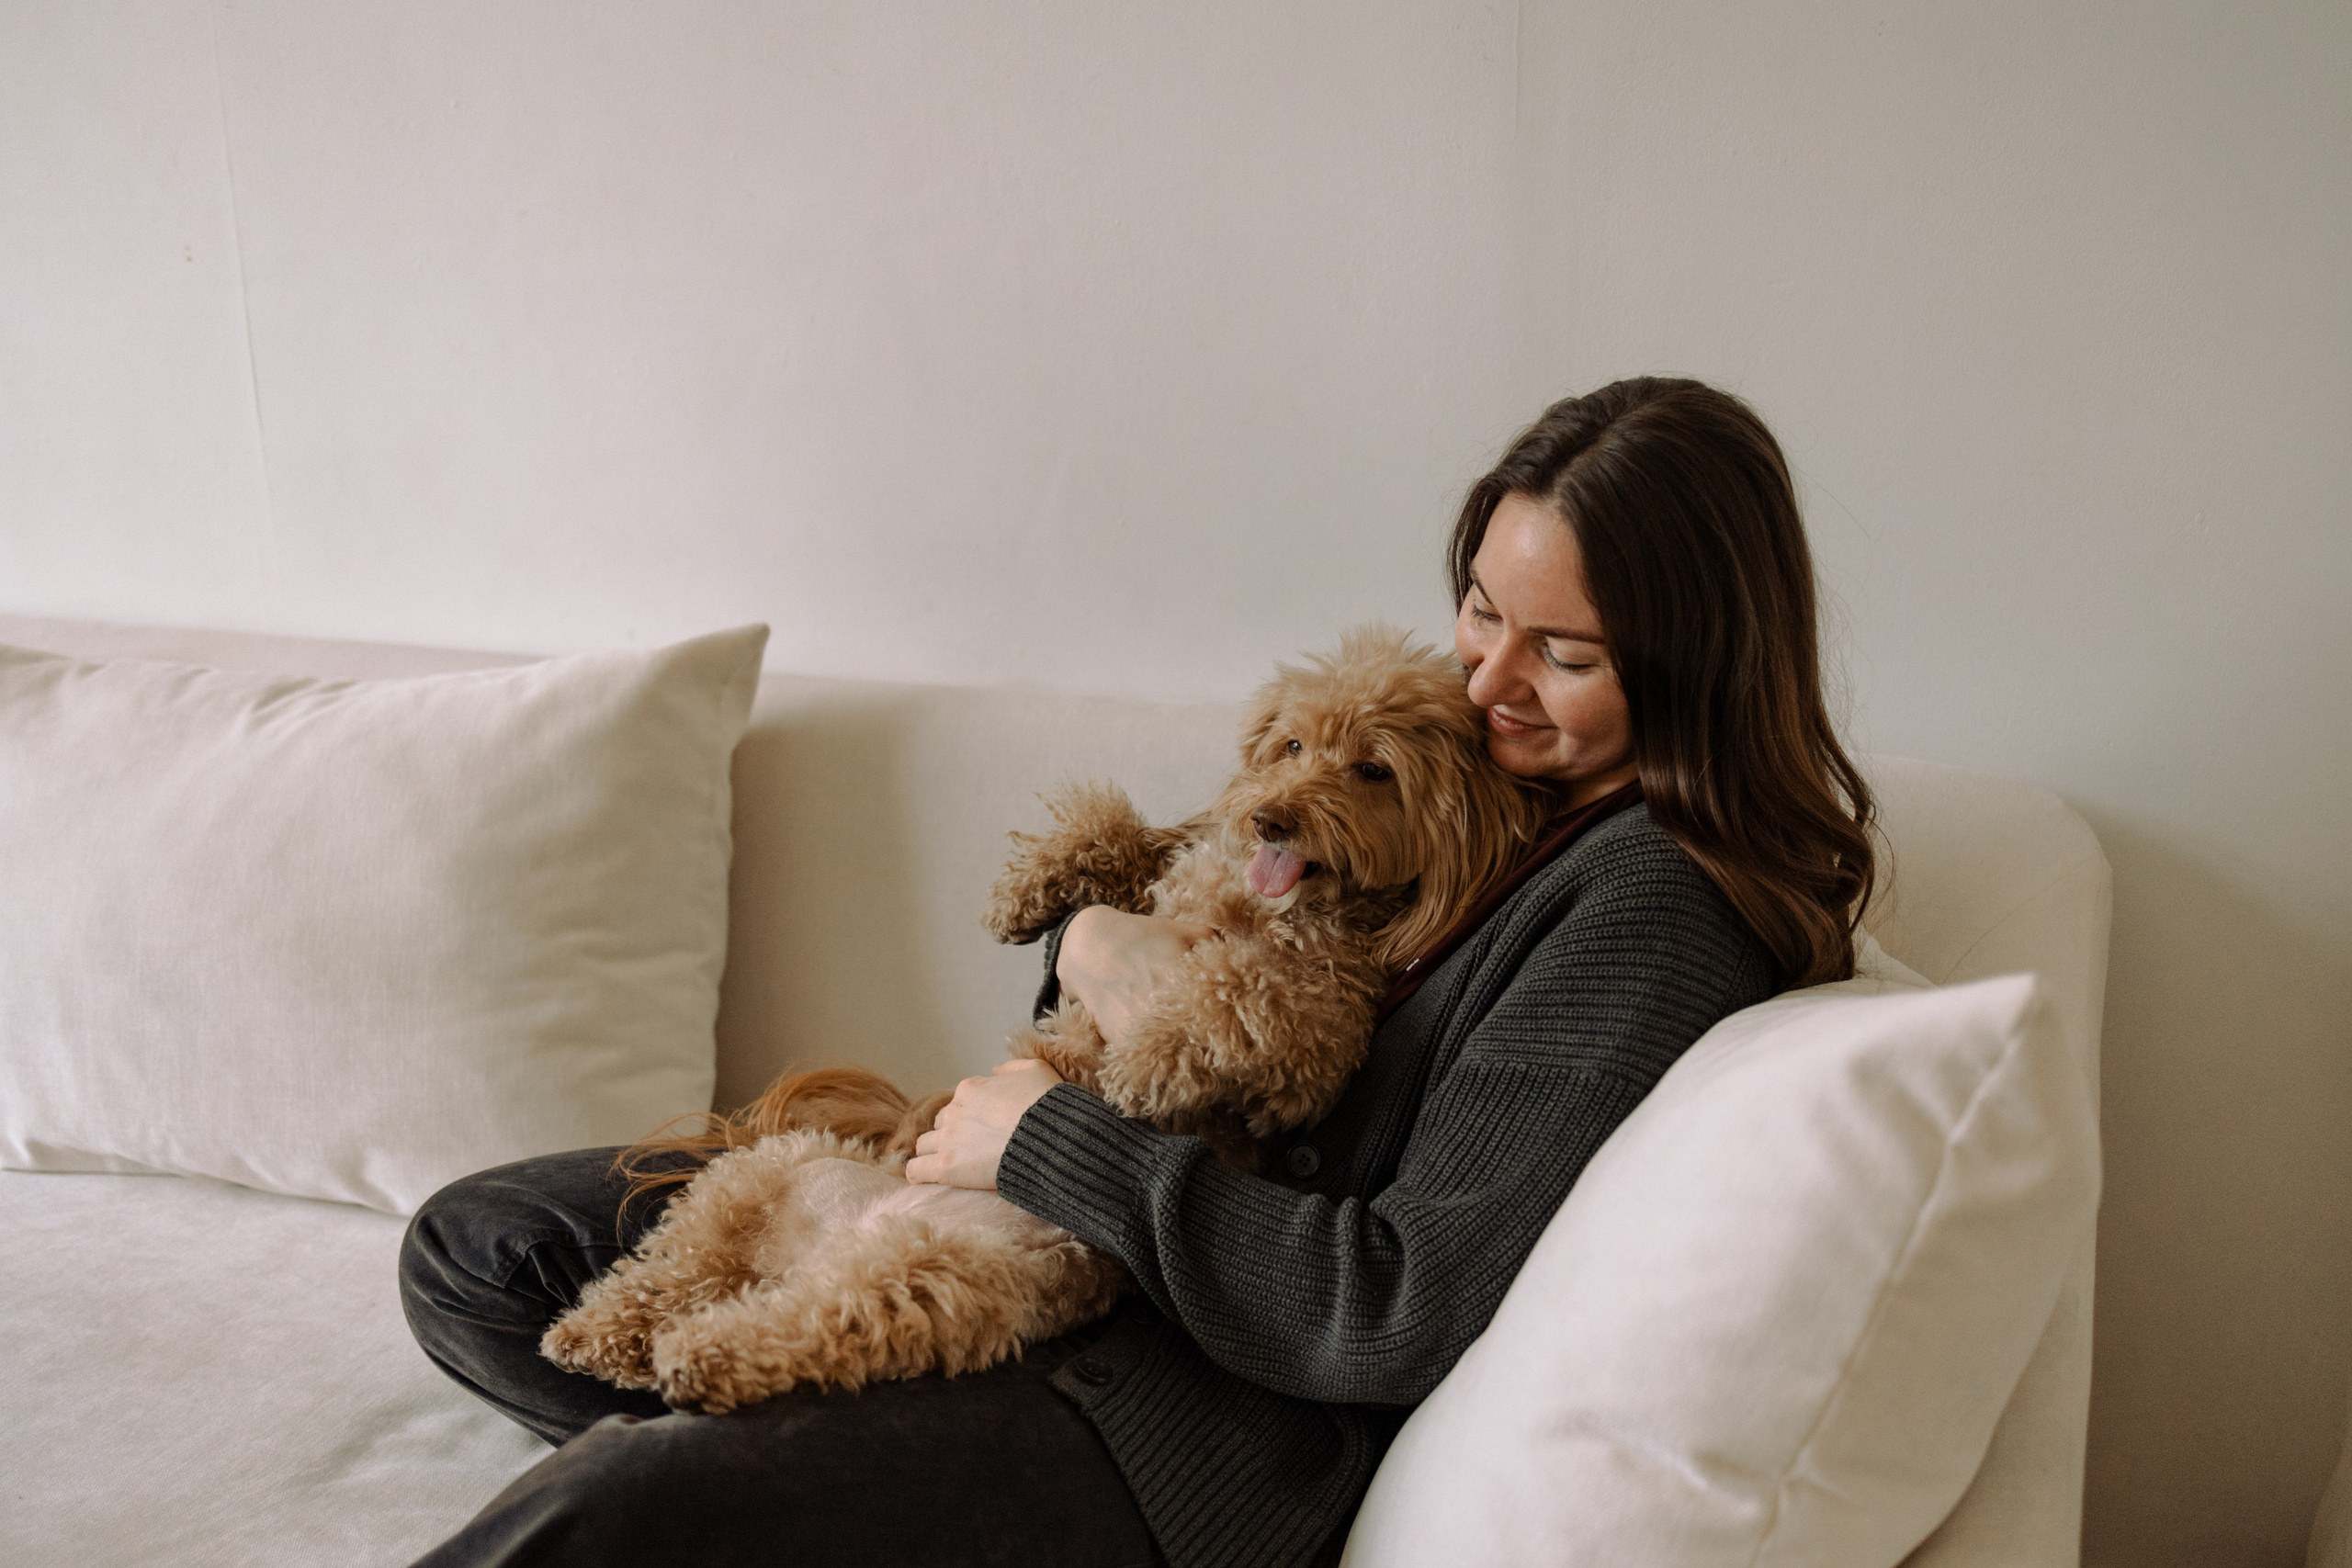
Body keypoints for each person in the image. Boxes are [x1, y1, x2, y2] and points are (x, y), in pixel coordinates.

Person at [399, 377, 1875, 1568]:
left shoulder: (1649, 908)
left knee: (621, 1512)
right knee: (484, 1251)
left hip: (1170, 1414)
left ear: (1695, 667)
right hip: (1057, 1249)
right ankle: (802, 1457)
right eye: (1484, 609)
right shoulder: (1465, 782)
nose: (1488, 682)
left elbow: (1393, 1306)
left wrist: (1047, 1146)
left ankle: (774, 1462)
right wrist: (1091, 947)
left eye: (1564, 654)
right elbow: (1182, 914)